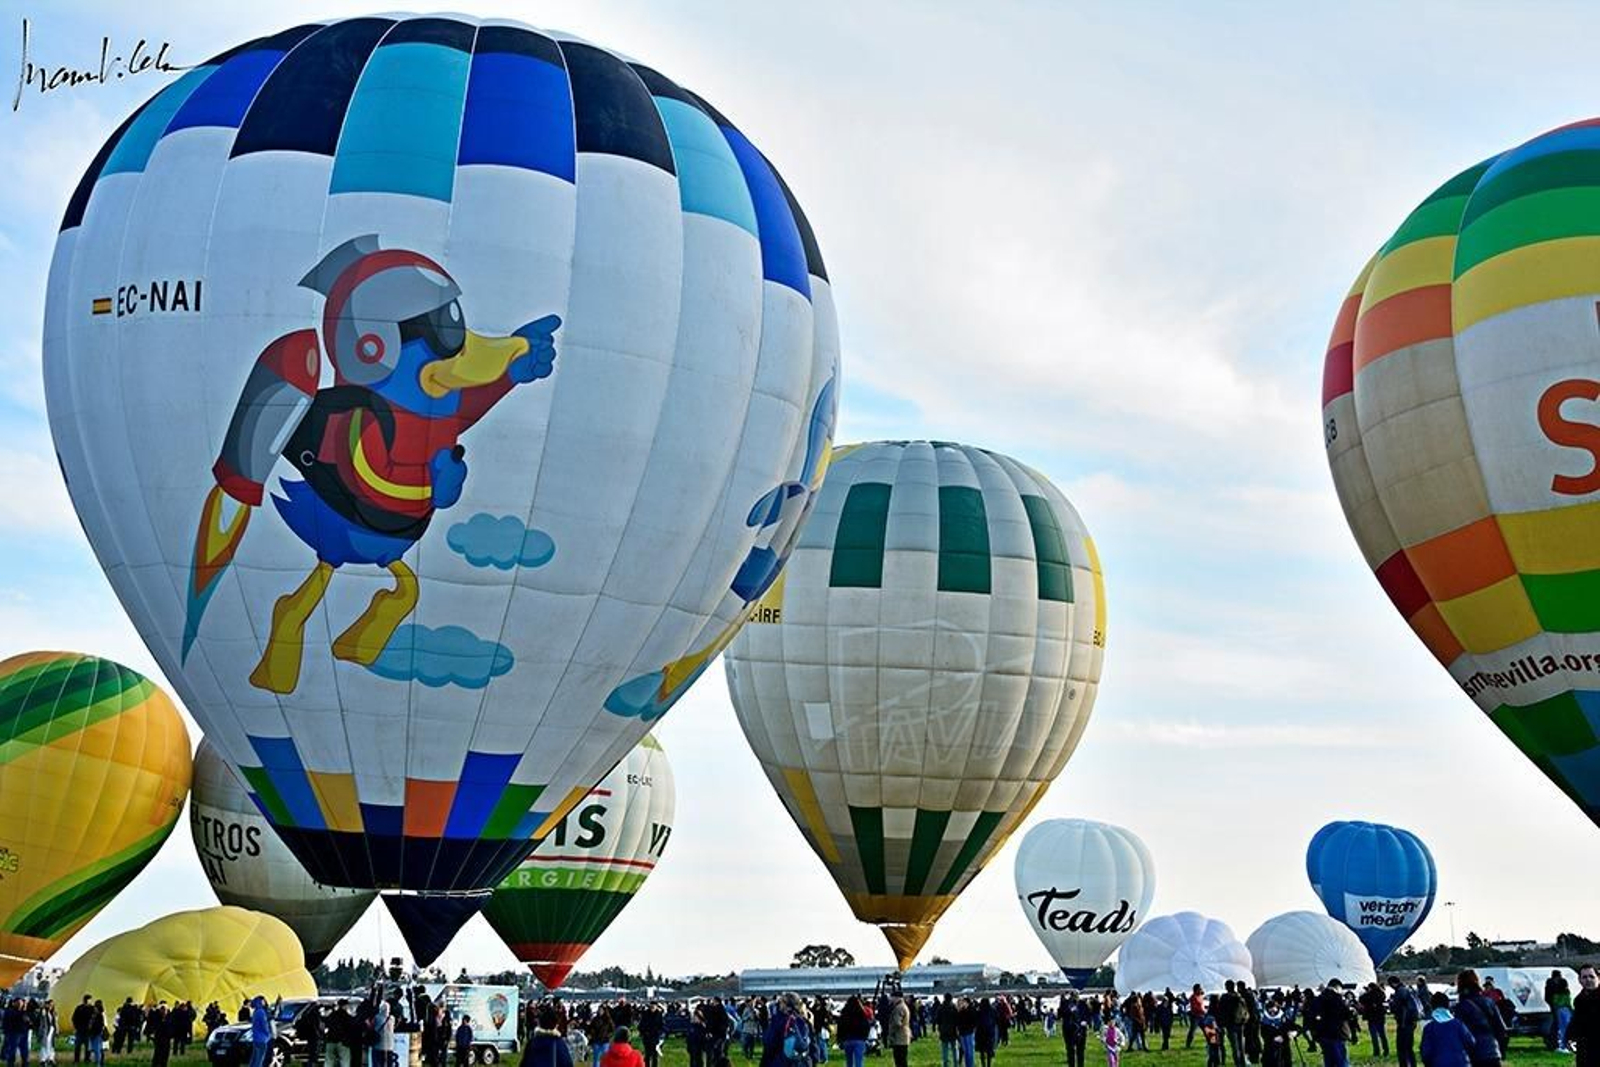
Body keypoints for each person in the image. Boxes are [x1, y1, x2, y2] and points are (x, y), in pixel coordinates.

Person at [1452, 971, 1507, 1067]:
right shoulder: (1489, 1002)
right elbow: (1501, 1029)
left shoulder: (1461, 1007)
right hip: (1492, 1052)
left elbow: (1458, 1034)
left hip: (1473, 1056)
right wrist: (1500, 1051)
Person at [1420, 994, 1474, 1067]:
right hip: (1461, 1063)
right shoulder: (1458, 1024)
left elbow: (1426, 1053)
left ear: (1432, 1006)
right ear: (1448, 1006)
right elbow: (1471, 1043)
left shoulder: (1429, 1028)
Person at [1310, 979, 1354, 1067]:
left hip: (1323, 1035)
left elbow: (1312, 1017)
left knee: (1329, 1061)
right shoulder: (1337, 998)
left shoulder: (1318, 999)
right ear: (1337, 987)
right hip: (1337, 1034)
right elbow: (1345, 1014)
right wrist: (1351, 1011)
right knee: (1341, 1061)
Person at [1390, 976, 1420, 1067]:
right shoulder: (1407, 990)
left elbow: (1397, 1007)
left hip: (1404, 1022)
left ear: (1393, 983)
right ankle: (1412, 1064)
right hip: (1410, 1022)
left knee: (1402, 1047)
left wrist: (1392, 1003)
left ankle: (1404, 1065)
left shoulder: (1400, 992)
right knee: (1408, 1047)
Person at [1574, 966, 1600, 1067]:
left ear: (1598, 978)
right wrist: (1570, 1037)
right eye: (1584, 977)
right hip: (1585, 1049)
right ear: (1579, 980)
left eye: (1591, 976)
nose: (1588, 980)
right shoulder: (1579, 1000)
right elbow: (1576, 1021)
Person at [837, 997, 869, 1067]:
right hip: (859, 1039)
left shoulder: (844, 1014)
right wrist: (865, 1037)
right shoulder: (861, 1014)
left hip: (847, 1039)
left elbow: (840, 1027)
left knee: (849, 1061)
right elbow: (866, 1026)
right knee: (859, 1061)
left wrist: (839, 1039)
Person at [1360, 983, 1390, 1058]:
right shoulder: (1381, 993)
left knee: (1374, 1036)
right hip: (1380, 1017)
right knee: (1382, 1035)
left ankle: (1376, 1051)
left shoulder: (1368, 995)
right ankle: (1386, 1050)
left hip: (1371, 1018)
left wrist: (1366, 992)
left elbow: (1361, 999)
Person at [1549, 971, 1575, 1053]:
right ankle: (1566, 1045)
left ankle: (1562, 1045)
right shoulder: (1566, 993)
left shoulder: (1554, 993)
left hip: (1559, 1010)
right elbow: (1568, 1002)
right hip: (1565, 1009)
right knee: (1566, 1027)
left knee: (1561, 1028)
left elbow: (1554, 1002)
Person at [1063, 995, 1089, 1067]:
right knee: (1070, 1050)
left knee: (1080, 1051)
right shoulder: (1066, 1004)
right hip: (1069, 1030)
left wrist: (1085, 1021)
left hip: (1081, 1029)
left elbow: (1088, 1015)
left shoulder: (1083, 1004)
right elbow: (1062, 1014)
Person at [886, 997, 911, 1067]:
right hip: (904, 1036)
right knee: (903, 1059)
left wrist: (891, 1032)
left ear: (897, 998)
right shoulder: (904, 1006)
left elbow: (897, 1023)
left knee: (899, 1060)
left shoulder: (898, 1008)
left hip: (899, 1037)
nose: (891, 1000)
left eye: (892, 998)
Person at [250, 998, 273, 1067]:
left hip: (255, 1038)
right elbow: (264, 1025)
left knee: (254, 1058)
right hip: (262, 1039)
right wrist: (269, 1034)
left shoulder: (255, 1012)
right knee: (259, 1059)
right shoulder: (261, 1012)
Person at [69, 1000, 91, 1067]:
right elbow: (74, 1018)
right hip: (84, 1031)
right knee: (84, 1046)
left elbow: (73, 1018)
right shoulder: (89, 1008)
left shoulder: (79, 1008)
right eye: (90, 1000)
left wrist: (76, 1027)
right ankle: (85, 1060)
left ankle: (78, 1060)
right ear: (87, 1001)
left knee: (80, 1046)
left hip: (81, 1030)